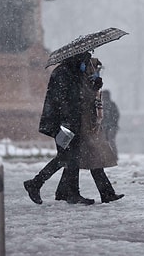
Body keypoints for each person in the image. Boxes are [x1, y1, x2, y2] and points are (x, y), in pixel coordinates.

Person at [23, 52, 95, 205]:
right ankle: (39, 184)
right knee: (66, 157)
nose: (86, 65)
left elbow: (79, 96)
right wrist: (67, 121)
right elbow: (62, 100)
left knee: (69, 157)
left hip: (70, 123)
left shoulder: (72, 72)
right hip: (63, 125)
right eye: (85, 61)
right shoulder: (62, 73)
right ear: (78, 59)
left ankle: (62, 191)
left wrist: (94, 85)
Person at [55, 58, 124, 203]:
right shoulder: (79, 78)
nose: (97, 71)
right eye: (96, 69)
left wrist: (96, 87)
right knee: (88, 159)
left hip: (87, 125)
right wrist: (94, 87)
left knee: (77, 160)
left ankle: (61, 191)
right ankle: (106, 193)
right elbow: (84, 99)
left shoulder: (85, 78)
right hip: (83, 125)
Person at [101, 89, 120, 159]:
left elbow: (116, 115)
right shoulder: (111, 104)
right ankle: (111, 156)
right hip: (109, 126)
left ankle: (109, 156)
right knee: (110, 141)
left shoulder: (106, 105)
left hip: (108, 126)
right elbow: (116, 115)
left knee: (108, 141)